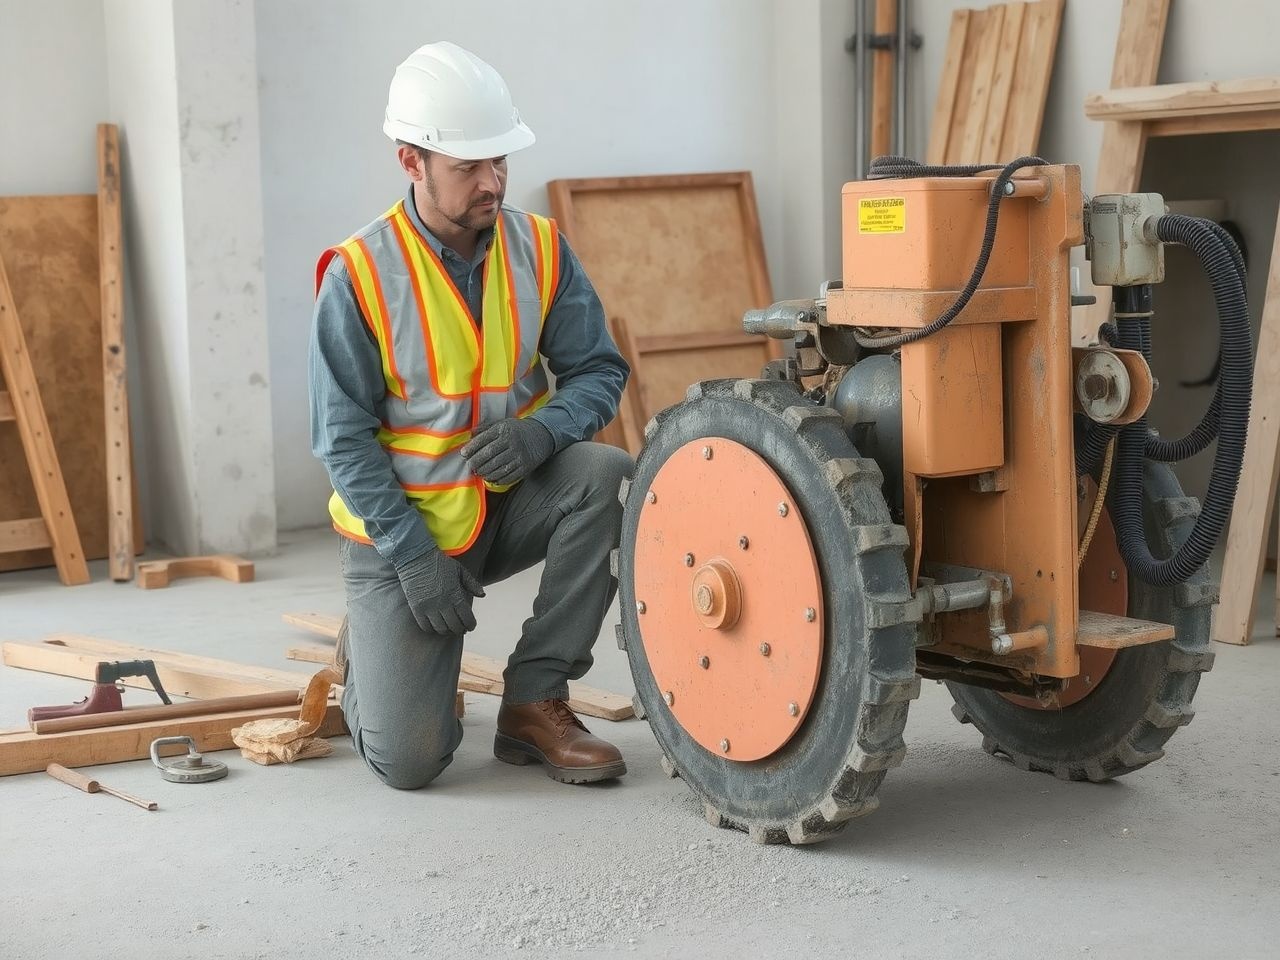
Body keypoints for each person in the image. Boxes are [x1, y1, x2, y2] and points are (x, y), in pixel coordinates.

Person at [309, 41, 632, 789]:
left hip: (503, 504)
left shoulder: (539, 247)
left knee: (608, 476)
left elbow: (599, 370)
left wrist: (543, 432)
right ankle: (371, 657)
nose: (493, 182)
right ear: (411, 162)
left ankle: (534, 699)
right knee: (411, 763)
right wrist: (413, 559)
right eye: (468, 167)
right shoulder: (359, 274)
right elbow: (342, 440)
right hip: (404, 533)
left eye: (501, 161)